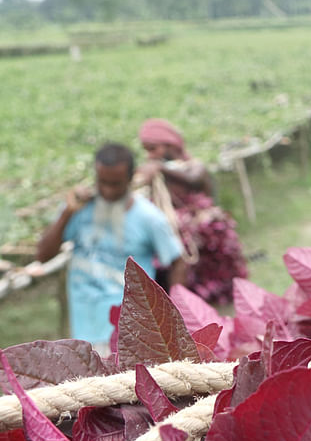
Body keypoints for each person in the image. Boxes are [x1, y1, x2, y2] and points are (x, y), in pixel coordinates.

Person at [36, 142, 186, 353]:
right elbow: (43, 255)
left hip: (130, 333)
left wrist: (169, 316)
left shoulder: (149, 218)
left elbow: (178, 262)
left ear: (130, 179)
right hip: (84, 329)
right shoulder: (79, 209)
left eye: (115, 184)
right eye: (102, 182)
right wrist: (67, 213)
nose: (107, 191)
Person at [136, 118, 247, 304]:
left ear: (170, 144)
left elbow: (193, 179)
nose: (150, 155)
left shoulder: (194, 167)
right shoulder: (157, 174)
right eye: (147, 150)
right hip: (173, 233)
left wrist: (161, 168)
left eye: (153, 148)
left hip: (201, 235)